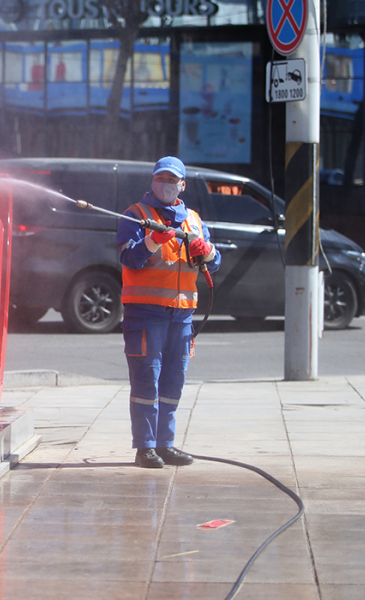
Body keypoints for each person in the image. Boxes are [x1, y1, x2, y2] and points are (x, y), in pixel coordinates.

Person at [117, 156, 221, 469]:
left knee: (173, 382)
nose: (166, 184)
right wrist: (151, 239)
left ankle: (166, 444)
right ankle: (145, 447)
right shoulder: (135, 215)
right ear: (152, 182)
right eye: (161, 178)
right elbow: (129, 259)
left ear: (182, 184)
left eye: (172, 180)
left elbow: (214, 263)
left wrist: (209, 251)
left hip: (183, 316)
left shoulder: (192, 219)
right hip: (145, 313)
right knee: (147, 379)